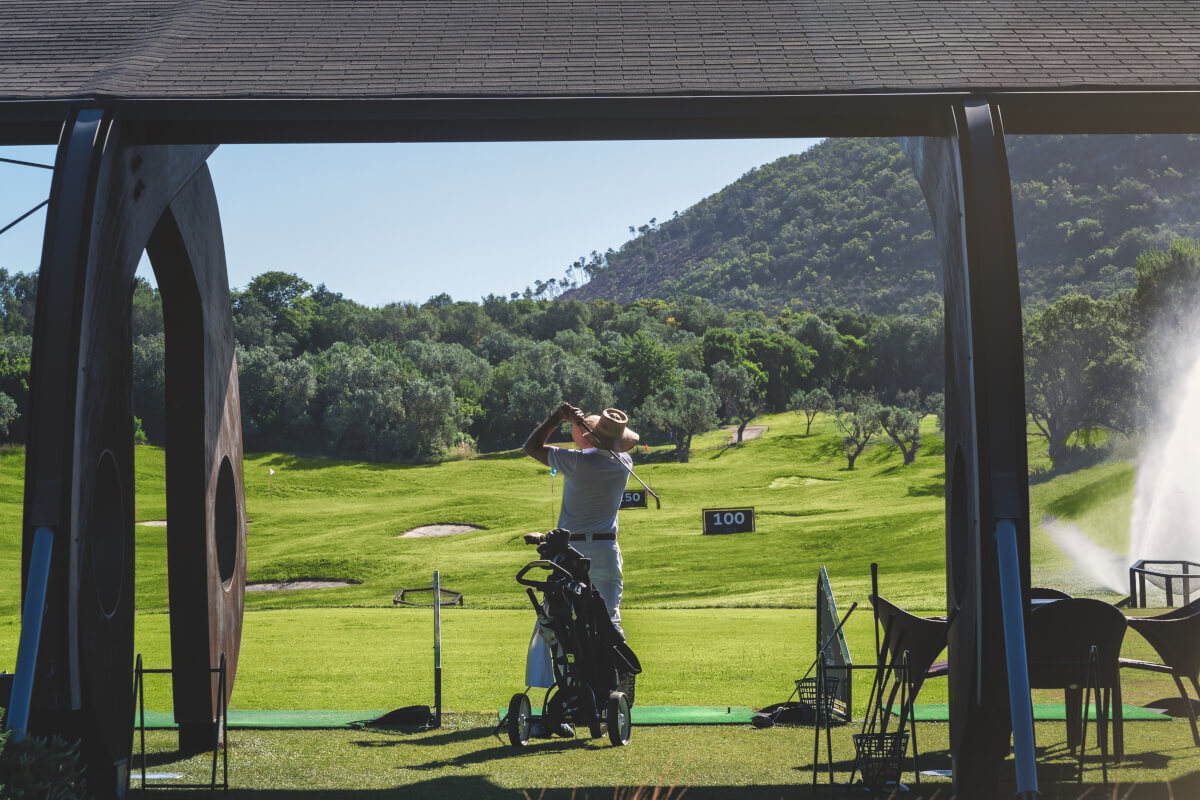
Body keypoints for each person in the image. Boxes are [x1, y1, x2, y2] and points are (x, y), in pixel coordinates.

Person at [521, 402, 639, 734]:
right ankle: (613, 681)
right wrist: (584, 430)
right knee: (606, 619)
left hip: (570, 553)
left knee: (559, 624)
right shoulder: (624, 463)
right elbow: (593, 448)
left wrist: (557, 418)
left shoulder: (576, 462)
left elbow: (532, 447)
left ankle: (565, 703)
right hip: (604, 550)